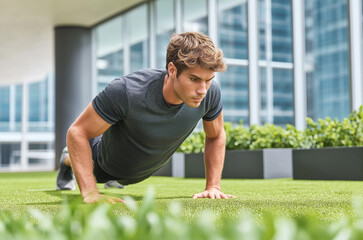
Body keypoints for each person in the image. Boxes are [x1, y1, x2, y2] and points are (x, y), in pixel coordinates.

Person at [56, 32, 236, 203]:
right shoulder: (127, 91)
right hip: (105, 164)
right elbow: (77, 132)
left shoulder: (210, 93)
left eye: (208, 80)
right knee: (93, 163)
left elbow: (216, 135)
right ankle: (67, 158)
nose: (203, 90)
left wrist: (213, 186)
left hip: (138, 171)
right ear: (172, 70)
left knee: (125, 177)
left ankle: (119, 179)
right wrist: (89, 193)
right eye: (194, 79)